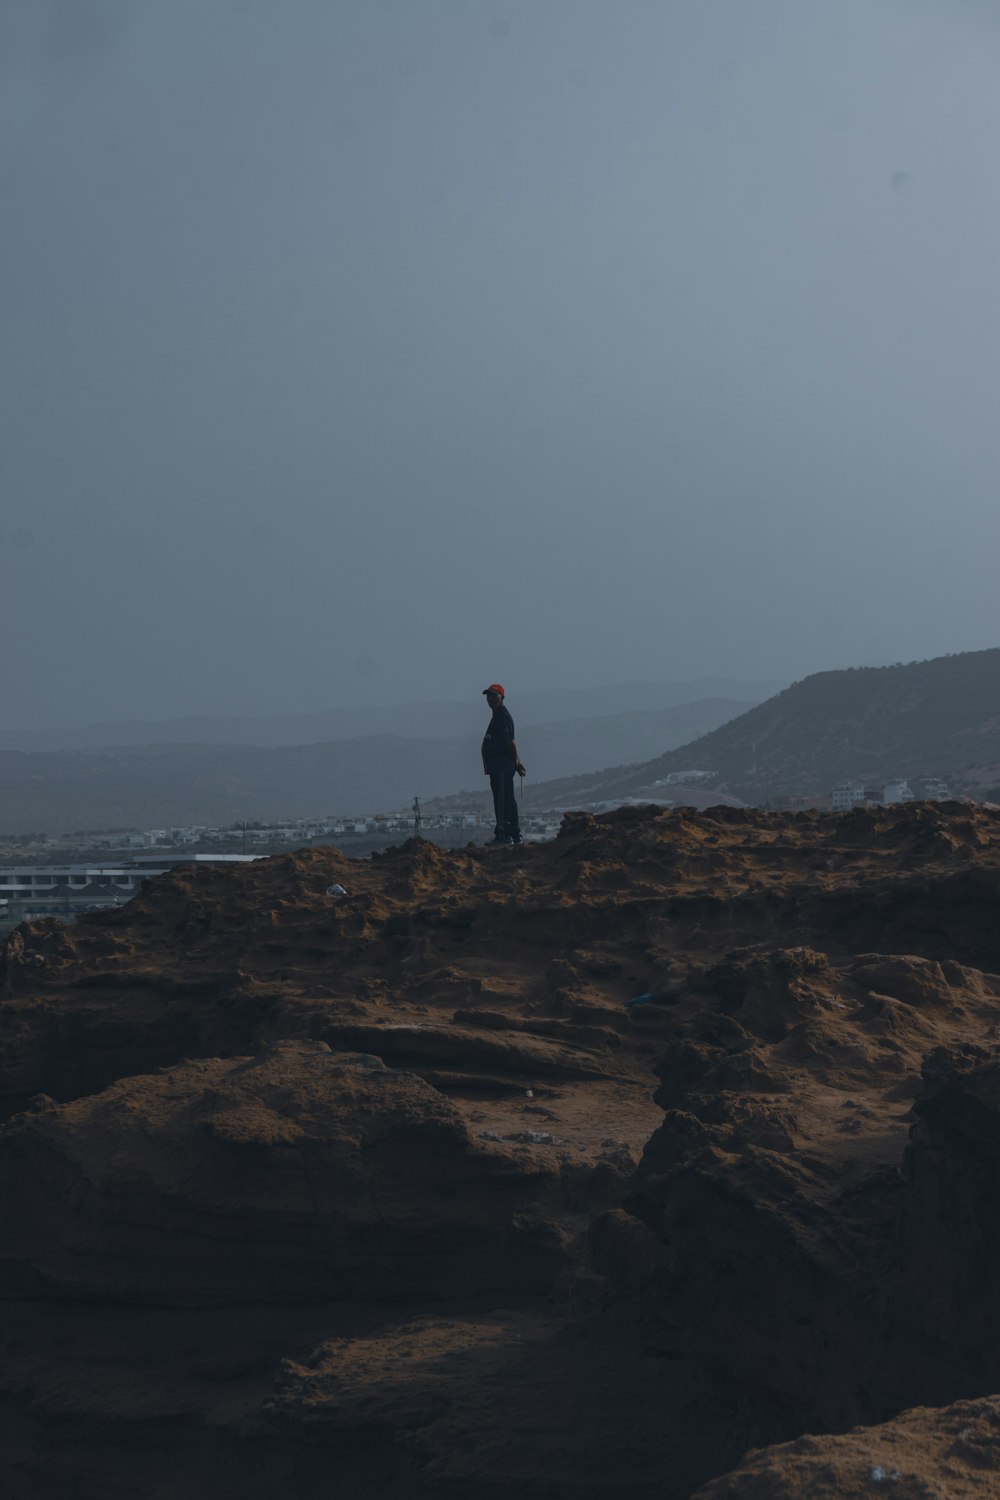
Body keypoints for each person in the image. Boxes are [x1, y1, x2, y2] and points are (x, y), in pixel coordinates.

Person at [481, 683, 526, 845]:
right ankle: (514, 833)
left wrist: (516, 762)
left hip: (501, 766)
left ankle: (503, 834)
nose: (490, 698)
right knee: (507, 798)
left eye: (494, 695)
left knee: (502, 800)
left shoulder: (502, 716)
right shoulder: (497, 715)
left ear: (502, 697)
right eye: (488, 695)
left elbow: (510, 742)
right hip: (498, 766)